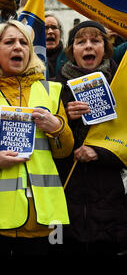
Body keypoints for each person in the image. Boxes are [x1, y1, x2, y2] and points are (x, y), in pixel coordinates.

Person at [0, 20, 74, 256]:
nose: (18, 47)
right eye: (10, 42)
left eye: (24, 42)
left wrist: (56, 127)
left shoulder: (51, 90)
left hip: (44, 218)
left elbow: (64, 151)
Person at [54, 20, 127, 255]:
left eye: (95, 41)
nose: (88, 46)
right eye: (80, 41)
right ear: (71, 50)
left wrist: (101, 153)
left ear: (105, 49)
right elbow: (44, 143)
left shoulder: (121, 87)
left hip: (109, 204)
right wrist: (63, 120)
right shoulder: (54, 89)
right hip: (64, 200)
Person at [45, 14, 67, 80]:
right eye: (45, 28)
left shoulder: (70, 57)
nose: (50, 31)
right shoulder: (31, 59)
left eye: (54, 27)